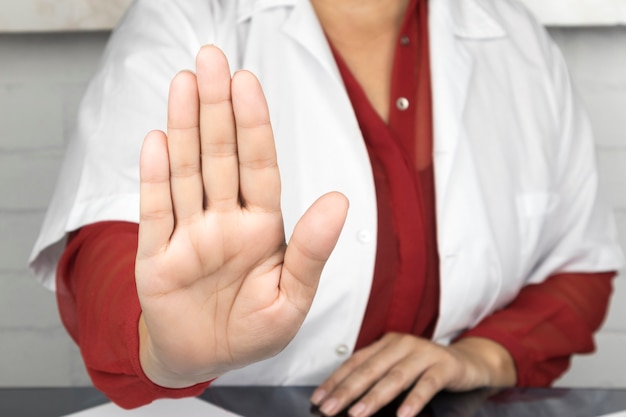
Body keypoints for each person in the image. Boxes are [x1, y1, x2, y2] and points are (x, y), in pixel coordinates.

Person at [29, 0, 624, 416]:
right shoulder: (185, 17)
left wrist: (486, 355)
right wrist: (162, 347)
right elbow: (104, 248)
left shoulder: (516, 38)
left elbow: (578, 267)